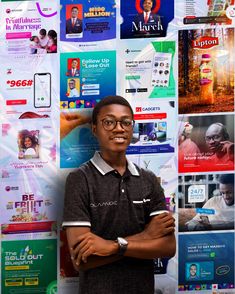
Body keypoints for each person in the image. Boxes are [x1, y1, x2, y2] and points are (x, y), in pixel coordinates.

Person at [62, 95, 176, 294]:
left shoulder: (148, 179)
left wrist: (113, 247)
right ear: (95, 129)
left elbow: (167, 247)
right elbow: (82, 259)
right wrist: (146, 236)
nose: (118, 128)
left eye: (125, 122)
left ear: (132, 128)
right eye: (108, 122)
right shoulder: (79, 180)